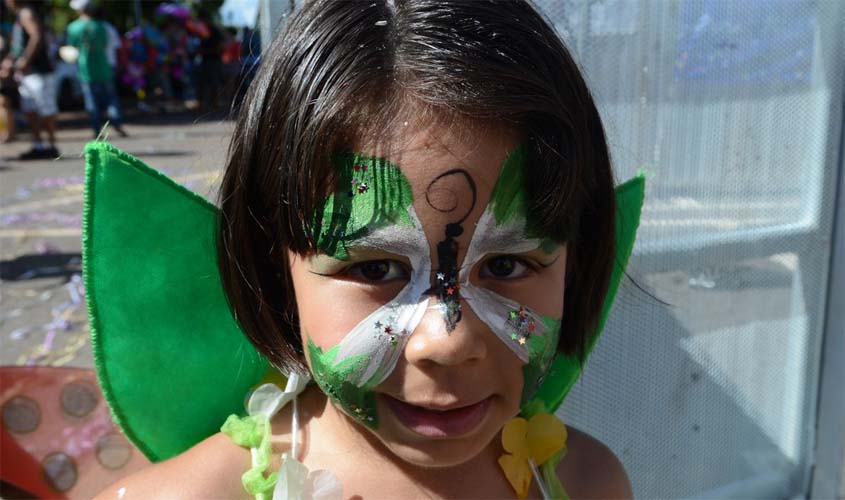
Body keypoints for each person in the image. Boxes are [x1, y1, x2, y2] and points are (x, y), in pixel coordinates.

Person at [93, 1, 640, 498]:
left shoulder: (589, 484)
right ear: (274, 270)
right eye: (376, 267)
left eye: (505, 265)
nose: (446, 343)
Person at [66, 0, 127, 138]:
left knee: (91, 100)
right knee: (111, 98)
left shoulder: (73, 27)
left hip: (85, 68)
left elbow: (72, 47)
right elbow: (106, 44)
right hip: (104, 66)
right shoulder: (101, 26)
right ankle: (117, 123)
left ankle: (96, 129)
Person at [6, 0, 59, 159]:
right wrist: (10, 60)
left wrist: (25, 60)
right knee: (30, 110)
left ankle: (51, 144)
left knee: (45, 109)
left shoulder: (26, 12)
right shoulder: (20, 14)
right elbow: (18, 46)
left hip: (38, 71)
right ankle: (38, 145)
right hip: (27, 73)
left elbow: (36, 36)